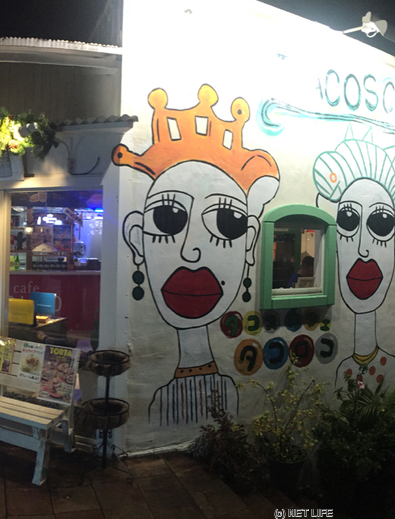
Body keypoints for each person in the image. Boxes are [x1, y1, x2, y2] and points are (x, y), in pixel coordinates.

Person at [115, 84, 279, 426]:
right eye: (167, 217)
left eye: (226, 221)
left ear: (249, 242)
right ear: (136, 237)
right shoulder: (164, 400)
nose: (191, 251)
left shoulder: (226, 391)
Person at [313, 127, 395, 388]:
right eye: (348, 220)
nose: (363, 248)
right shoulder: (343, 370)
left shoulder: (389, 366)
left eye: (381, 222)